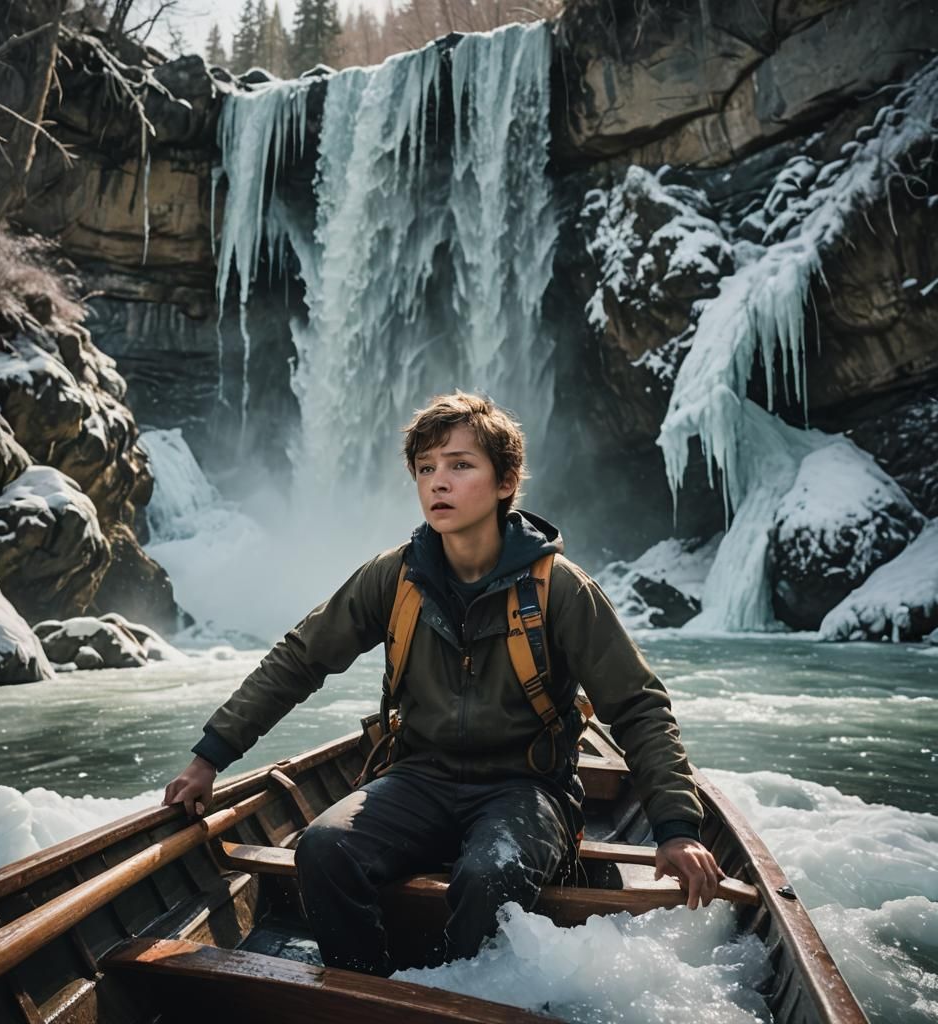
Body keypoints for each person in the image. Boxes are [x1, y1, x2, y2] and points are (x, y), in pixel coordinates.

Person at [163, 391, 722, 975]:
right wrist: (210, 756)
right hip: (418, 778)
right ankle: (366, 992)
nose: (439, 482)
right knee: (323, 849)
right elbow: (301, 658)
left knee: (490, 874)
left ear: (506, 482)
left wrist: (676, 829)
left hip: (527, 789)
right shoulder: (395, 577)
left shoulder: (559, 588)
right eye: (426, 468)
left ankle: (461, 998)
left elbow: (638, 707)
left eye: (460, 465)